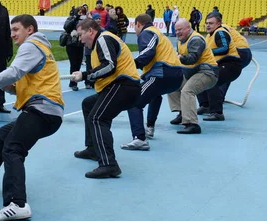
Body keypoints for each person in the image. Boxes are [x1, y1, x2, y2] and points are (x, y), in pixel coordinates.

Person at [0, 14, 64, 221]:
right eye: (11, 30)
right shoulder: (41, 48)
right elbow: (18, 84)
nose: (12, 34)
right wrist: (7, 86)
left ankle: (17, 203)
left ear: (30, 30)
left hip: (42, 110)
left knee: (13, 148)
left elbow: (14, 72)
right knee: (2, 136)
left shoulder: (31, 45)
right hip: (46, 110)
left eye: (16, 29)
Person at [71, 18, 140, 178]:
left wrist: (85, 75)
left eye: (81, 35)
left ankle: (109, 164)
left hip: (123, 85)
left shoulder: (103, 38)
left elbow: (109, 65)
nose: (80, 40)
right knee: (88, 104)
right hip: (118, 86)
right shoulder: (100, 42)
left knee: (97, 119)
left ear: (90, 31)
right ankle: (93, 149)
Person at [121, 14, 183, 150]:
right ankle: (149, 127)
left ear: (138, 24)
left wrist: (132, 64)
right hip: (176, 76)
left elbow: (149, 51)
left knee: (133, 101)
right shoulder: (159, 33)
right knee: (155, 95)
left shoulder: (147, 32)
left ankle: (139, 138)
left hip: (162, 73)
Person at [168, 19, 218, 134]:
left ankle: (192, 124)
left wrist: (179, 57)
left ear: (188, 28)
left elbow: (192, 58)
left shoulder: (196, 39)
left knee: (187, 91)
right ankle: (182, 113)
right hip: (193, 73)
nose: (177, 32)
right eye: (176, 30)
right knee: (172, 83)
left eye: (180, 30)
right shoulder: (180, 41)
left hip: (207, 72)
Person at [197, 12, 242, 120]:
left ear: (218, 24)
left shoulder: (220, 32)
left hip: (231, 65)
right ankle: (205, 105)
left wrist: (207, 52)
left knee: (212, 80)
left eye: (211, 23)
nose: (208, 25)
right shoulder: (209, 35)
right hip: (221, 65)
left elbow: (224, 48)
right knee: (199, 78)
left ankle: (217, 113)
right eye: (207, 23)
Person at [219, 22, 252, 98]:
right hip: (247, 53)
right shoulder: (230, 28)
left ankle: (218, 98)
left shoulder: (221, 29)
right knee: (227, 73)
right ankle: (220, 97)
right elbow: (244, 40)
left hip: (239, 52)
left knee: (223, 71)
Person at [62, 7, 86, 91]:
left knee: (78, 63)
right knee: (74, 63)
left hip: (80, 44)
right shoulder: (71, 18)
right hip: (71, 44)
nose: (81, 13)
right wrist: (75, 18)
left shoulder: (84, 20)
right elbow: (66, 27)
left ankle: (73, 80)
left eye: (82, 12)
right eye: (79, 11)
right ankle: (73, 82)